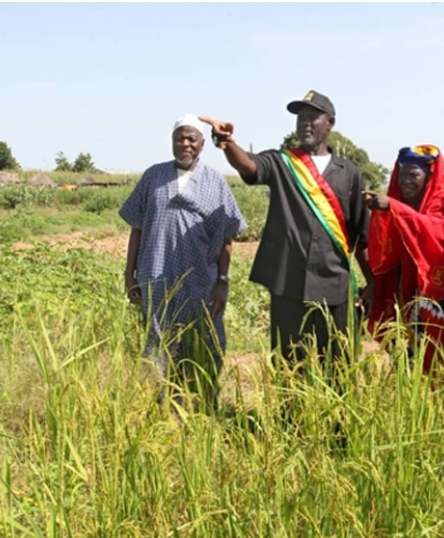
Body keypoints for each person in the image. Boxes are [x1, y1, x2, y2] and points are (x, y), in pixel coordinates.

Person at [201, 91, 374, 371]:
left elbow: (361, 234)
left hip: (335, 286)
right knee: (289, 365)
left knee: (338, 365)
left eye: (312, 117)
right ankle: (289, 417)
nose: (305, 123)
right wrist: (228, 143)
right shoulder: (282, 162)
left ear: (330, 123)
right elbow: (249, 164)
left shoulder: (348, 172)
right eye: (300, 118)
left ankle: (335, 417)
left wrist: (373, 282)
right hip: (289, 286)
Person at [119, 113, 248, 407]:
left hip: (201, 280)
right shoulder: (153, 176)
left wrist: (223, 282)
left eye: (192, 138)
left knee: (204, 341)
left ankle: (203, 404)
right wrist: (130, 275)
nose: (186, 143)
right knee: (157, 340)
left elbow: (228, 236)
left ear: (202, 144)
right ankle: (158, 406)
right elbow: (136, 227)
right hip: (155, 275)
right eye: (180, 137)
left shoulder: (215, 182)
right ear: (172, 141)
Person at [364, 145, 444, 378]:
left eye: (414, 175)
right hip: (402, 284)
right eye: (402, 174)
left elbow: (436, 229)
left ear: (428, 176)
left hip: (434, 284)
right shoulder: (399, 201)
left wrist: (393, 208)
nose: (406, 181)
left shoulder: (442, 200)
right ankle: (411, 405)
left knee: (440, 352)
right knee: (406, 351)